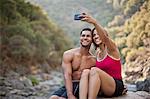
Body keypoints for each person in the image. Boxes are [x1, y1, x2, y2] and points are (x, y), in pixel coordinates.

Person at [79, 14, 126, 99]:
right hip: (103, 86)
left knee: (94, 70)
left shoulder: (112, 49)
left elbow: (105, 38)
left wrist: (94, 23)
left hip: (115, 85)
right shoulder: (97, 53)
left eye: (98, 34)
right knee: (86, 72)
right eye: (94, 35)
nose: (96, 36)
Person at [50, 28, 96, 99]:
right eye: (83, 36)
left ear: (92, 40)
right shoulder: (68, 54)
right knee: (53, 98)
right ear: (80, 38)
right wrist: (70, 94)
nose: (85, 38)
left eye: (88, 36)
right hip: (69, 84)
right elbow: (67, 75)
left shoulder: (93, 60)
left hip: (81, 86)